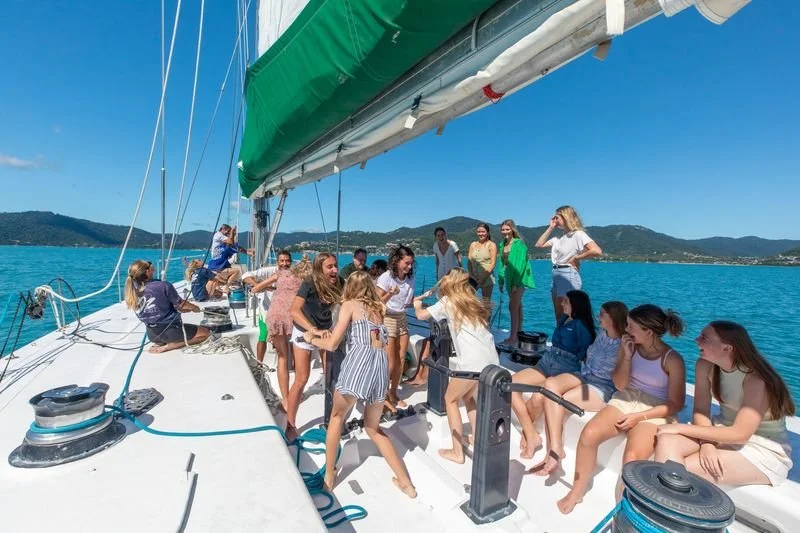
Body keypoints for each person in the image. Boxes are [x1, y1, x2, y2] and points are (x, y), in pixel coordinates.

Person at [557, 304, 686, 515]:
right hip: (625, 398)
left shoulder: (672, 359)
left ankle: (624, 510)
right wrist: (626, 356)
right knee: (589, 434)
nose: (626, 330)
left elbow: (676, 404)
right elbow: (619, 385)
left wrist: (640, 416)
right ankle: (577, 490)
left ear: (649, 332)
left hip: (656, 410)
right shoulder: (628, 348)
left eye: (631, 327)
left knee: (632, 457)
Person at [303, 271, 416, 498]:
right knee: (373, 428)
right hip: (379, 367)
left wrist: (311, 338)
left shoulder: (349, 305)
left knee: (336, 418)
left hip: (359, 364)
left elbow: (334, 344)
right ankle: (406, 484)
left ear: (350, 288)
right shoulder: (379, 310)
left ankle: (329, 476)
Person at [654, 321, 794, 488]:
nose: (697, 340)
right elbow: (700, 410)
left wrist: (680, 428)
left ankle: (669, 508)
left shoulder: (756, 380)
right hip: (721, 431)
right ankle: (663, 506)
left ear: (727, 348)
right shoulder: (704, 365)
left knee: (674, 473)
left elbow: (740, 434)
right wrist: (706, 443)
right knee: (666, 441)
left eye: (704, 338)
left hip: (761, 448)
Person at [529, 301, 629, 477]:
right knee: (550, 384)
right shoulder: (601, 335)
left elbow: (621, 379)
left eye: (602, 315)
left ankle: (552, 452)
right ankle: (556, 449)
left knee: (557, 400)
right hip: (583, 374)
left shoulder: (624, 345)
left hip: (602, 386)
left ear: (613, 319)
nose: (598, 317)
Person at [413, 268, 499, 464]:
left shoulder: (447, 302)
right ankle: (478, 440)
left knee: (450, 400)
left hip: (471, 362)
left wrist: (417, 304)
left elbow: (421, 316)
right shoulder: (473, 302)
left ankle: (457, 452)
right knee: (469, 398)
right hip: (490, 360)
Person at [511, 290, 596, 458]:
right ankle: (530, 431)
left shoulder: (581, 326)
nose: (562, 303)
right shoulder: (563, 320)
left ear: (575, 305)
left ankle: (527, 434)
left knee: (537, 398)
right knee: (511, 384)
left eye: (566, 301)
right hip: (546, 362)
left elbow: (586, 352)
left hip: (565, 367)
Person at [287, 252, 342, 440]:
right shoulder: (309, 283)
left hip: (326, 331)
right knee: (302, 378)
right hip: (305, 330)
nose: (335, 270)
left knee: (332, 376)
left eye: (336, 265)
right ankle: (290, 424)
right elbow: (294, 310)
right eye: (330, 267)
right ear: (320, 269)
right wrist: (312, 329)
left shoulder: (339, 283)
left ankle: (332, 420)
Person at [125, 260, 210, 353]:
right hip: (170, 331)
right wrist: (195, 308)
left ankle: (164, 343)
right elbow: (181, 304)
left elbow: (161, 306)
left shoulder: (132, 290)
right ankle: (173, 345)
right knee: (205, 333)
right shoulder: (163, 285)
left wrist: (179, 309)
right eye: (151, 267)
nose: (154, 268)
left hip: (153, 336)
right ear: (147, 272)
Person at [535, 206, 602, 322]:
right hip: (556, 274)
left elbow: (596, 250)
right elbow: (538, 245)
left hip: (568, 273)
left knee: (568, 312)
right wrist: (550, 227)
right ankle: (561, 338)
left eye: (557, 217)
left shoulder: (578, 234)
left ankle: (570, 338)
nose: (555, 220)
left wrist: (577, 257)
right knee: (559, 313)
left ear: (566, 217)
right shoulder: (558, 238)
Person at [376, 245, 415, 408]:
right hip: (388, 317)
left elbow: (408, 302)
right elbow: (377, 302)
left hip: (402, 317)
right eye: (406, 263)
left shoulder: (410, 278)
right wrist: (391, 293)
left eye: (411, 263)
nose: (409, 267)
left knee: (400, 358)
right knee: (390, 361)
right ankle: (383, 394)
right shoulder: (386, 277)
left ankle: (393, 393)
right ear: (397, 261)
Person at [497, 219, 535, 345]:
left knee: (512, 307)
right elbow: (502, 264)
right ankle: (518, 335)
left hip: (518, 279)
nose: (505, 232)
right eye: (503, 229)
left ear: (512, 229)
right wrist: (501, 281)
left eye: (507, 229)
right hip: (509, 277)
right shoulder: (502, 244)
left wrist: (515, 284)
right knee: (517, 307)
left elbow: (520, 265)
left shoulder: (519, 244)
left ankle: (512, 337)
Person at [468, 223, 497, 316]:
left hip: (487, 278)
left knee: (486, 304)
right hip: (473, 277)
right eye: (479, 232)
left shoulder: (491, 245)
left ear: (487, 233)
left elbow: (492, 264)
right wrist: (471, 275)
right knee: (468, 300)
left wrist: (482, 279)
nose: (481, 234)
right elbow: (469, 261)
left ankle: (486, 326)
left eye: (483, 232)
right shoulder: (473, 244)